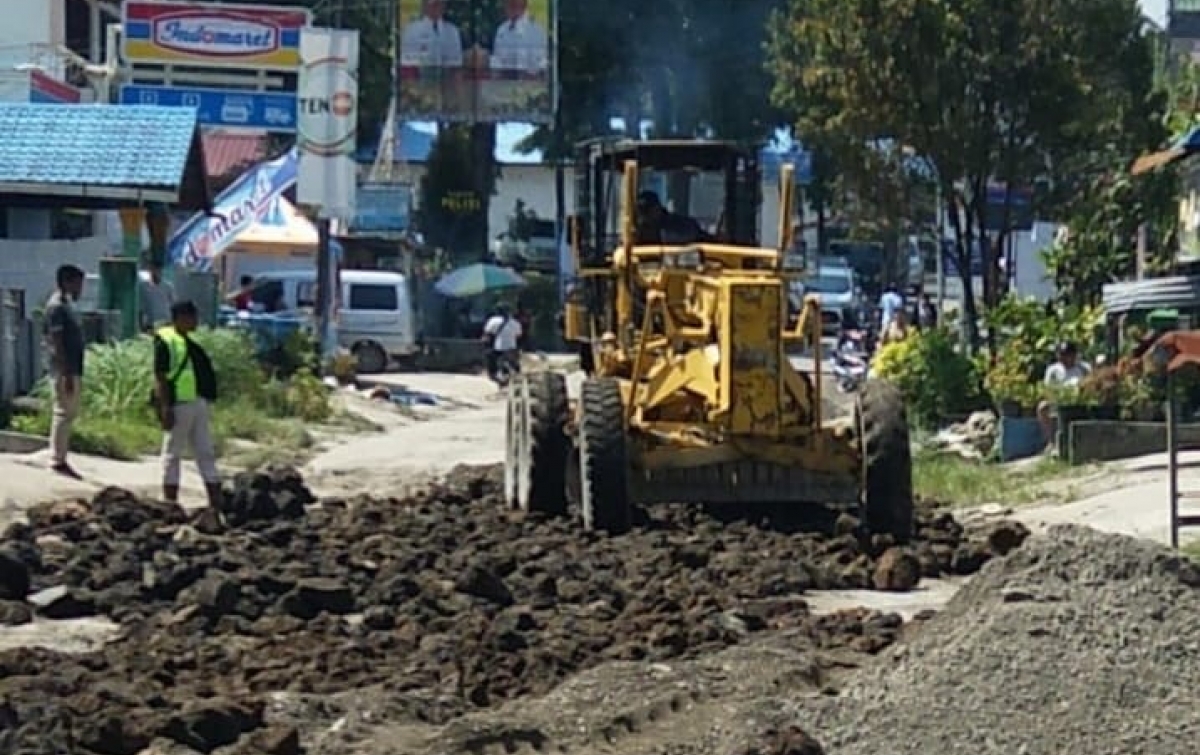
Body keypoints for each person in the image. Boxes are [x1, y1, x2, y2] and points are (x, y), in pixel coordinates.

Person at [154, 300, 221, 508]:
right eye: (191, 317)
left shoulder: (186, 342)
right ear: (180, 318)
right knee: (173, 454)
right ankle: (170, 503)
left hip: (196, 402)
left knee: (205, 451)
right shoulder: (166, 341)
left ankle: (215, 504)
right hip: (178, 404)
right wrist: (165, 408)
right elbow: (161, 377)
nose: (195, 321)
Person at [43, 264, 86, 479]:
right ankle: (57, 459)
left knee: (68, 412)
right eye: (77, 283)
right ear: (67, 282)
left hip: (73, 367)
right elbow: (56, 342)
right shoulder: (56, 307)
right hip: (65, 368)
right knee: (63, 412)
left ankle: (60, 455)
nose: (81, 288)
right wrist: (66, 372)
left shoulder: (67, 304)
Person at [1037, 341, 1092, 445]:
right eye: (1062, 355)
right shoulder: (1053, 370)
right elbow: (1047, 389)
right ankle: (1052, 442)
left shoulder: (1084, 368)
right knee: (1042, 407)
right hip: (1058, 401)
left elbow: (1090, 384)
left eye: (1068, 355)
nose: (1064, 358)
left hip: (1080, 402)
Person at [400, 0, 464, 68]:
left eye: (440, 3)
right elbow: (407, 59)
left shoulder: (452, 31)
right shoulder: (411, 30)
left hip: (446, 75)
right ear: (424, 6)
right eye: (433, 3)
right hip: (421, 75)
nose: (436, 7)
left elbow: (456, 60)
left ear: (444, 6)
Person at [635, 190, 711, 245]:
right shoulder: (635, 231)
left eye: (647, 210)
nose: (644, 216)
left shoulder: (682, 226)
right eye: (640, 212)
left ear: (657, 208)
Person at [492, 0, 548, 72]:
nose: (511, 6)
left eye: (514, 4)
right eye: (508, 3)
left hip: (531, 81)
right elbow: (497, 60)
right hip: (506, 81)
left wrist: (533, 74)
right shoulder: (501, 30)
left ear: (524, 4)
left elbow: (543, 62)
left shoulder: (537, 31)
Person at [482, 303, 523, 383]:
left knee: (490, 358)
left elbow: (487, 333)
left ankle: (493, 375)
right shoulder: (515, 323)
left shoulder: (493, 320)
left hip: (498, 348)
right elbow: (518, 335)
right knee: (515, 363)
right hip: (511, 347)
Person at [139, 261, 176, 332]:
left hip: (166, 323)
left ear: (161, 271)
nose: (155, 272)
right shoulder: (143, 287)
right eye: (152, 270)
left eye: (157, 270)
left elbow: (174, 305)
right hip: (151, 323)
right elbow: (140, 308)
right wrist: (141, 326)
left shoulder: (168, 286)